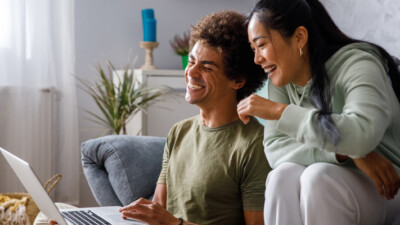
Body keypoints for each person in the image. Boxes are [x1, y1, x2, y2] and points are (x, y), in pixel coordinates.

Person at [45, 10, 270, 225]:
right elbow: (158, 211)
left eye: (207, 67)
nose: (191, 72)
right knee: (53, 215)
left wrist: (174, 223)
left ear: (238, 80)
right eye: (191, 62)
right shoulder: (179, 132)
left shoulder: (252, 144)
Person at [236, 0, 400, 224]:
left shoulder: (359, 63)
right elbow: (275, 148)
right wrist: (343, 152)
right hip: (331, 182)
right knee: (281, 176)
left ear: (300, 38)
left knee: (318, 177)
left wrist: (279, 111)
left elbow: (361, 134)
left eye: (262, 45)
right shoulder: (281, 81)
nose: (257, 59)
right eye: (253, 49)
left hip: (386, 186)